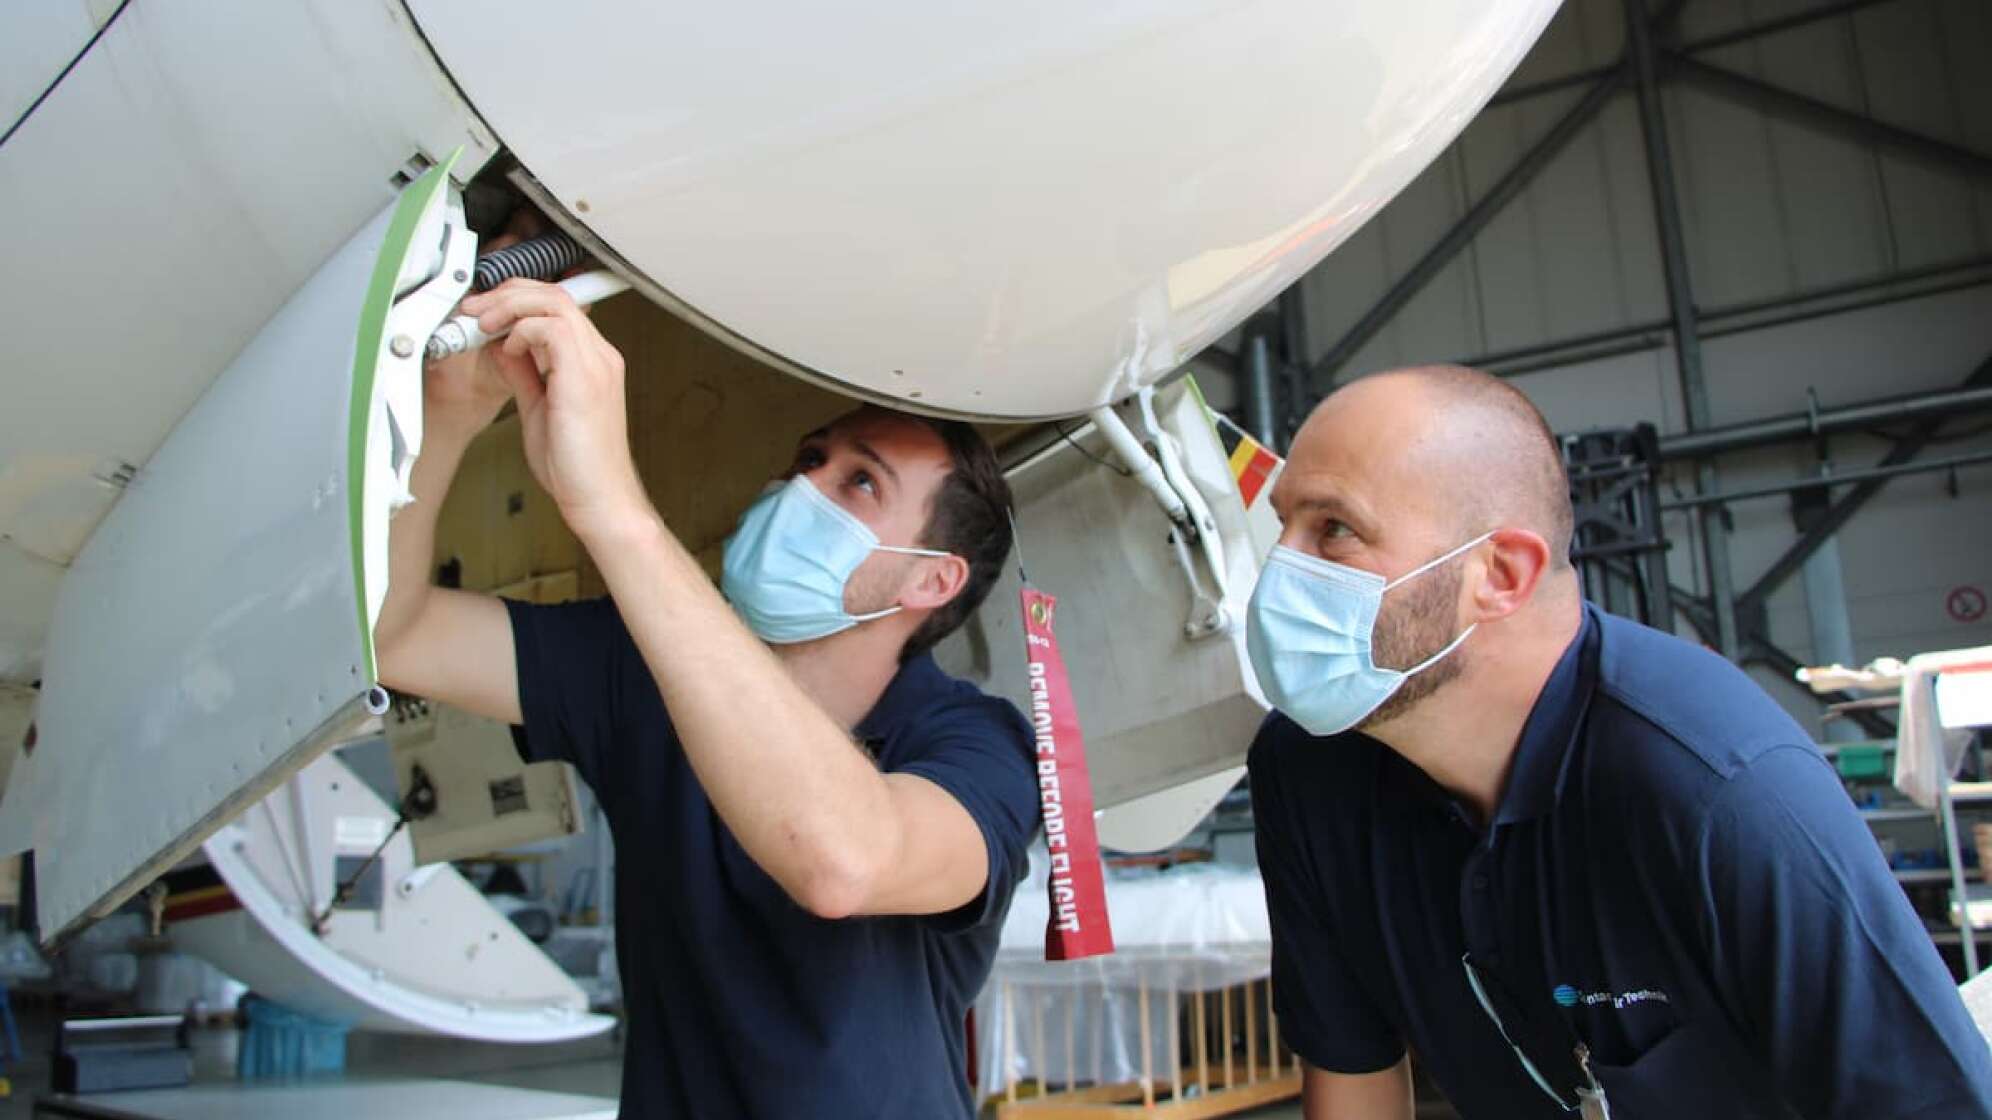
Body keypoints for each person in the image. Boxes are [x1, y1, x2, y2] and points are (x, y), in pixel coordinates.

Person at [1243, 364, 1992, 1118]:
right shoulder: (1309, 770)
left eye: (1333, 529)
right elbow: (1353, 1077)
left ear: (1501, 574)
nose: (1281, 571)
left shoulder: (1717, 789)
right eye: (1284, 526)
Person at [373, 278, 1038, 1117]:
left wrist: (614, 509)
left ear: (930, 581)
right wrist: (449, 413)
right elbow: (395, 634)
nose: (804, 487)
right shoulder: (638, 668)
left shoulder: (982, 748)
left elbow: (842, 862)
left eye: (858, 484)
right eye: (811, 459)